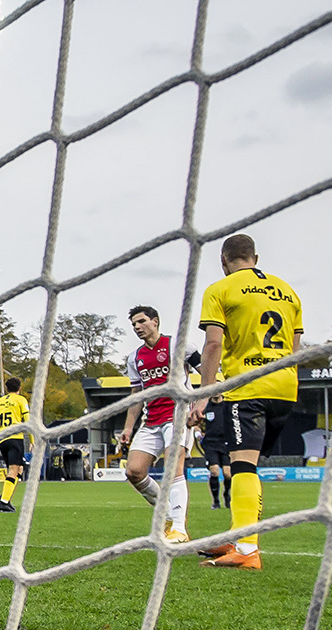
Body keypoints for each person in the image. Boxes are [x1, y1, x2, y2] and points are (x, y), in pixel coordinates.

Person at [188, 234, 302, 571]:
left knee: (242, 467)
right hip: (284, 388)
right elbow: (296, 347)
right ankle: (239, 535)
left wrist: (204, 394)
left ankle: (248, 550)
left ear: (224, 261)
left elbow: (212, 345)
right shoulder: (288, 291)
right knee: (246, 467)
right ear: (255, 256)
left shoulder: (220, 289)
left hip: (247, 389)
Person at [118, 305, 200, 543]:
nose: (137, 327)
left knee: (173, 468)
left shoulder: (178, 345)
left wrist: (200, 404)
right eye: (134, 324)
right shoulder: (135, 358)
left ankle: (180, 528)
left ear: (155, 322)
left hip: (178, 414)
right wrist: (128, 427)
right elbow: (137, 395)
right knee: (134, 471)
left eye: (141, 321)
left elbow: (206, 371)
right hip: (151, 419)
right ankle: (166, 516)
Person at [0, 377, 30, 513]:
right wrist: (32, 440)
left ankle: (5, 495)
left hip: (2, 439)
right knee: (14, 470)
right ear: (19, 388)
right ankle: (3, 502)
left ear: (7, 388)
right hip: (15, 437)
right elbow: (27, 421)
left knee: (19, 469)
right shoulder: (21, 400)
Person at [201, 394, 232, 509]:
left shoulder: (228, 405)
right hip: (211, 443)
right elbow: (197, 423)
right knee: (214, 472)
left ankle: (227, 495)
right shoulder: (206, 406)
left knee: (227, 474)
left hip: (226, 443)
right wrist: (198, 433)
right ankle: (216, 501)